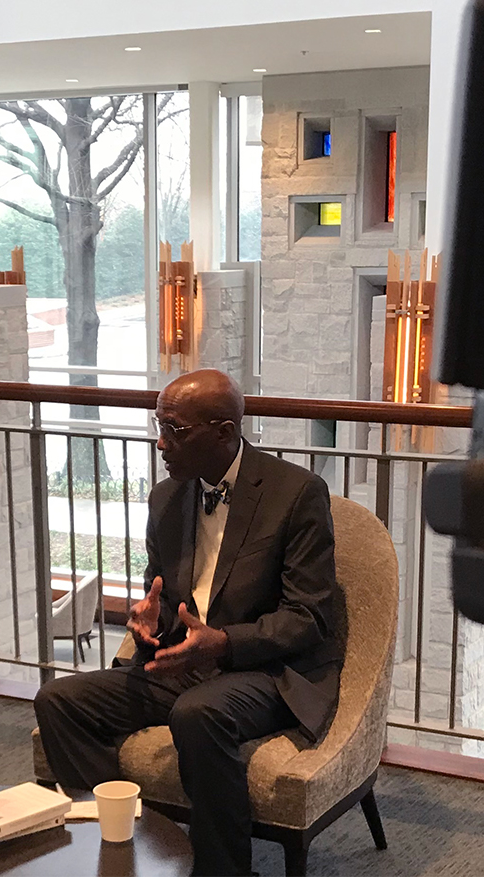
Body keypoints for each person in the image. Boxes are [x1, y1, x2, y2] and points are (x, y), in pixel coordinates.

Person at [35, 370, 344, 876]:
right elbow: (161, 590)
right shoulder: (167, 497)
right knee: (59, 701)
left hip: (269, 670)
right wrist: (145, 618)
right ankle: (122, 851)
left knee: (199, 713)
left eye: (174, 429)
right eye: (158, 425)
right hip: (184, 662)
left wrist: (222, 643)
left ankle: (225, 871)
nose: (161, 443)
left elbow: (308, 616)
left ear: (224, 432)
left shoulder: (297, 492)